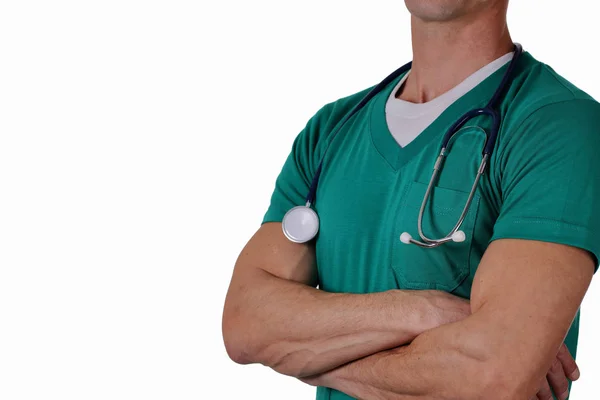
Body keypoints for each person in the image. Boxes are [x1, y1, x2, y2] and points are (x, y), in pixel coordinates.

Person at [222, 1, 600, 399]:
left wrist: (305, 357)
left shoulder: (559, 127)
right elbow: (244, 323)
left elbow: (491, 378)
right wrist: (423, 312)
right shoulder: (330, 132)